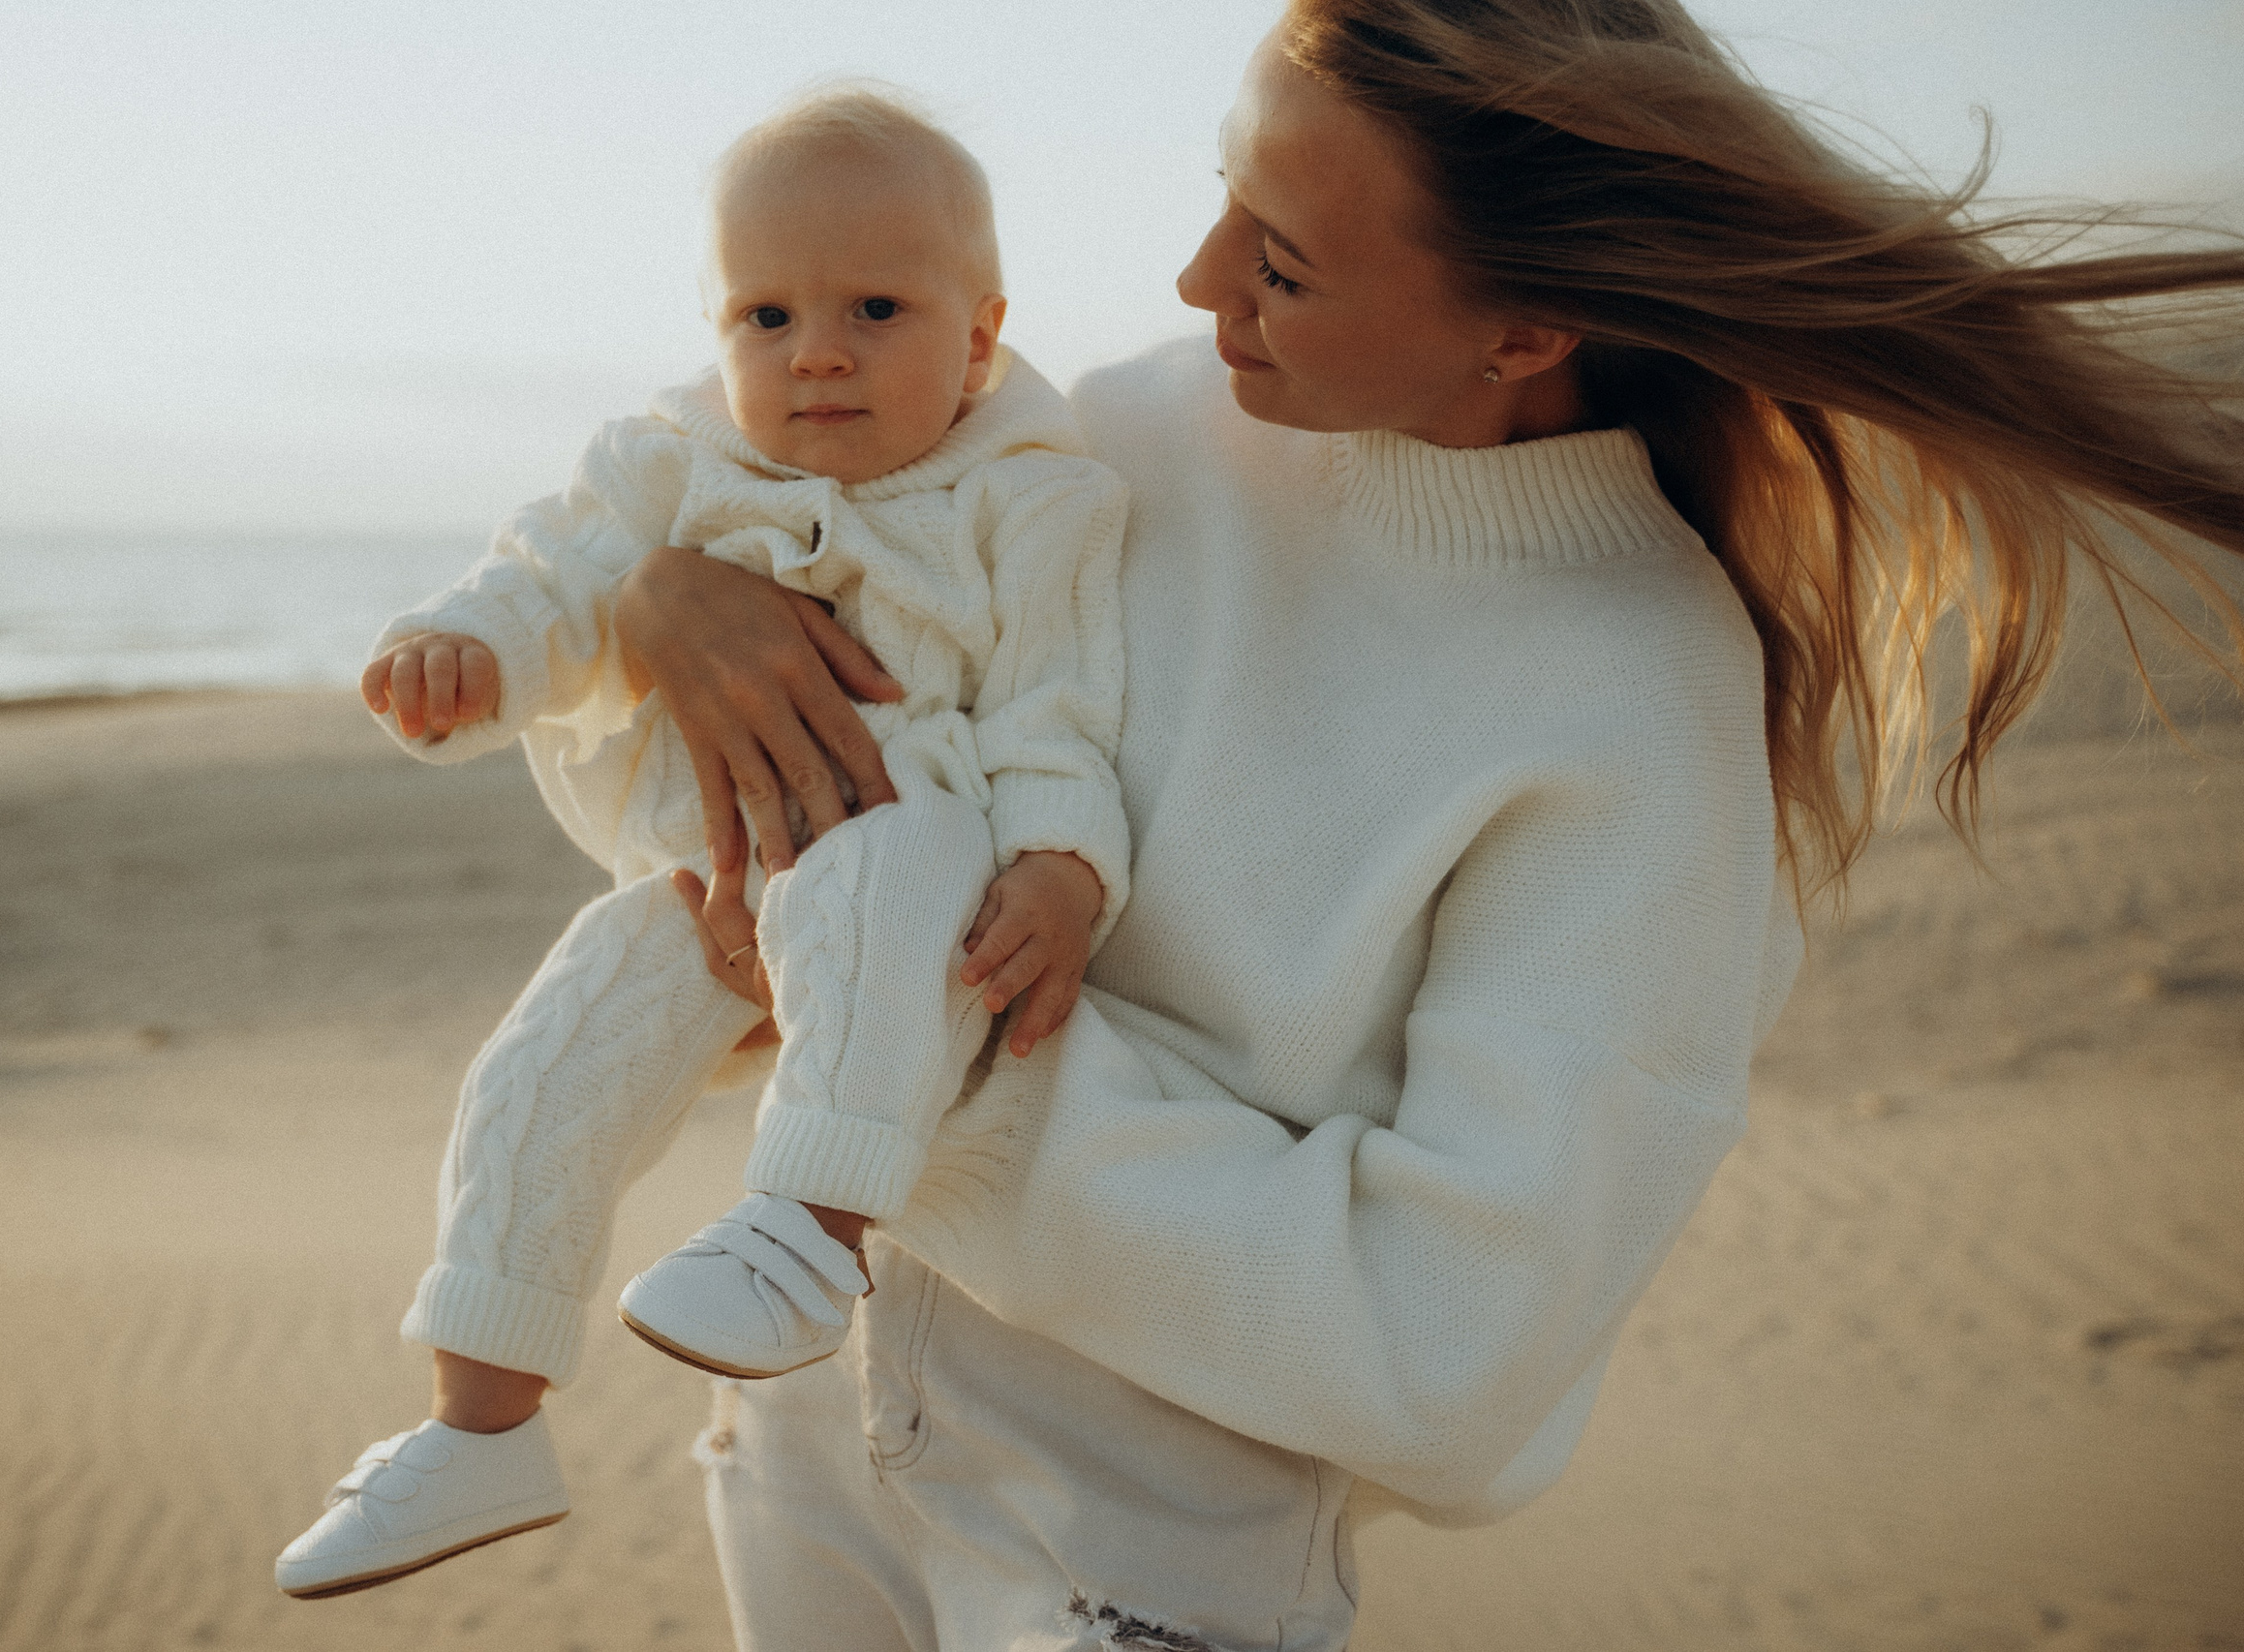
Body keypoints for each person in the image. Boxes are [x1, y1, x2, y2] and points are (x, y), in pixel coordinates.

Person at [606, 2, 2244, 1646]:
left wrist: (913, 1082)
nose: (1195, 277)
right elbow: (714, 835)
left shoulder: (1636, 700)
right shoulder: (1119, 435)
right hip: (804, 1464)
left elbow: (1442, 1354)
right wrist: (663, 613)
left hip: (1136, 1579)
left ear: (1527, 325)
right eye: (1223, 191)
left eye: (1285, 261)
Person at [273, 87, 1128, 1601]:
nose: (817, 351)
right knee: (555, 1050)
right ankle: (480, 1416)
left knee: (879, 880)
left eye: (877, 307)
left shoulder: (1031, 490)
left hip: (911, 844)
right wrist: (468, 651)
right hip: (709, 881)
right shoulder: (672, 462)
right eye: (765, 312)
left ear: (981, 335)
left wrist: (1064, 861)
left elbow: (1067, 703)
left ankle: (807, 1230)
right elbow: (558, 577)